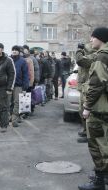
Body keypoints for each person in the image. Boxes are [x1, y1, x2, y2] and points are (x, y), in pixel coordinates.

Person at [78, 27, 108, 190]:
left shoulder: (102, 57)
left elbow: (97, 85)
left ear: (101, 39)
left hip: (99, 109)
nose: (91, 40)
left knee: (97, 146)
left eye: (93, 37)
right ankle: (104, 177)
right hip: (105, 108)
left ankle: (99, 182)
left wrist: (87, 107)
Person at [75, 43, 97, 143]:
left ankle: (89, 135)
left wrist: (79, 49)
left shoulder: (94, 55)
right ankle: (85, 130)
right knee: (81, 110)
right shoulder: (88, 54)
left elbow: (80, 61)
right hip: (83, 87)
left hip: (89, 87)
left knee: (87, 111)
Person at [10, 45, 29, 127]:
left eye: (16, 50)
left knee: (17, 102)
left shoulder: (22, 61)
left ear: (19, 51)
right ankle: (10, 117)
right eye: (13, 50)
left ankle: (14, 119)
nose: (14, 51)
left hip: (18, 85)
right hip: (9, 85)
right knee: (9, 103)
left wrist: (25, 87)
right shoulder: (9, 60)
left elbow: (25, 75)